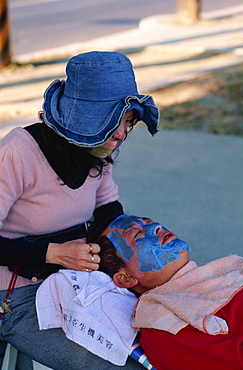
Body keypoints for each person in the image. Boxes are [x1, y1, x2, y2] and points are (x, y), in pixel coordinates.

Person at [0, 51, 159, 369]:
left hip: (74, 283)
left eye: (128, 123)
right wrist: (54, 254)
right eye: (112, 124)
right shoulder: (17, 153)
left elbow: (107, 208)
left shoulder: (97, 150)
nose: (119, 136)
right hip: (14, 295)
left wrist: (140, 243)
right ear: (82, 122)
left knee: (158, 348)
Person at [98, 214, 243, 370]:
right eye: (136, 234)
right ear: (126, 278)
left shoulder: (225, 270)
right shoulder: (162, 326)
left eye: (151, 221)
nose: (157, 227)